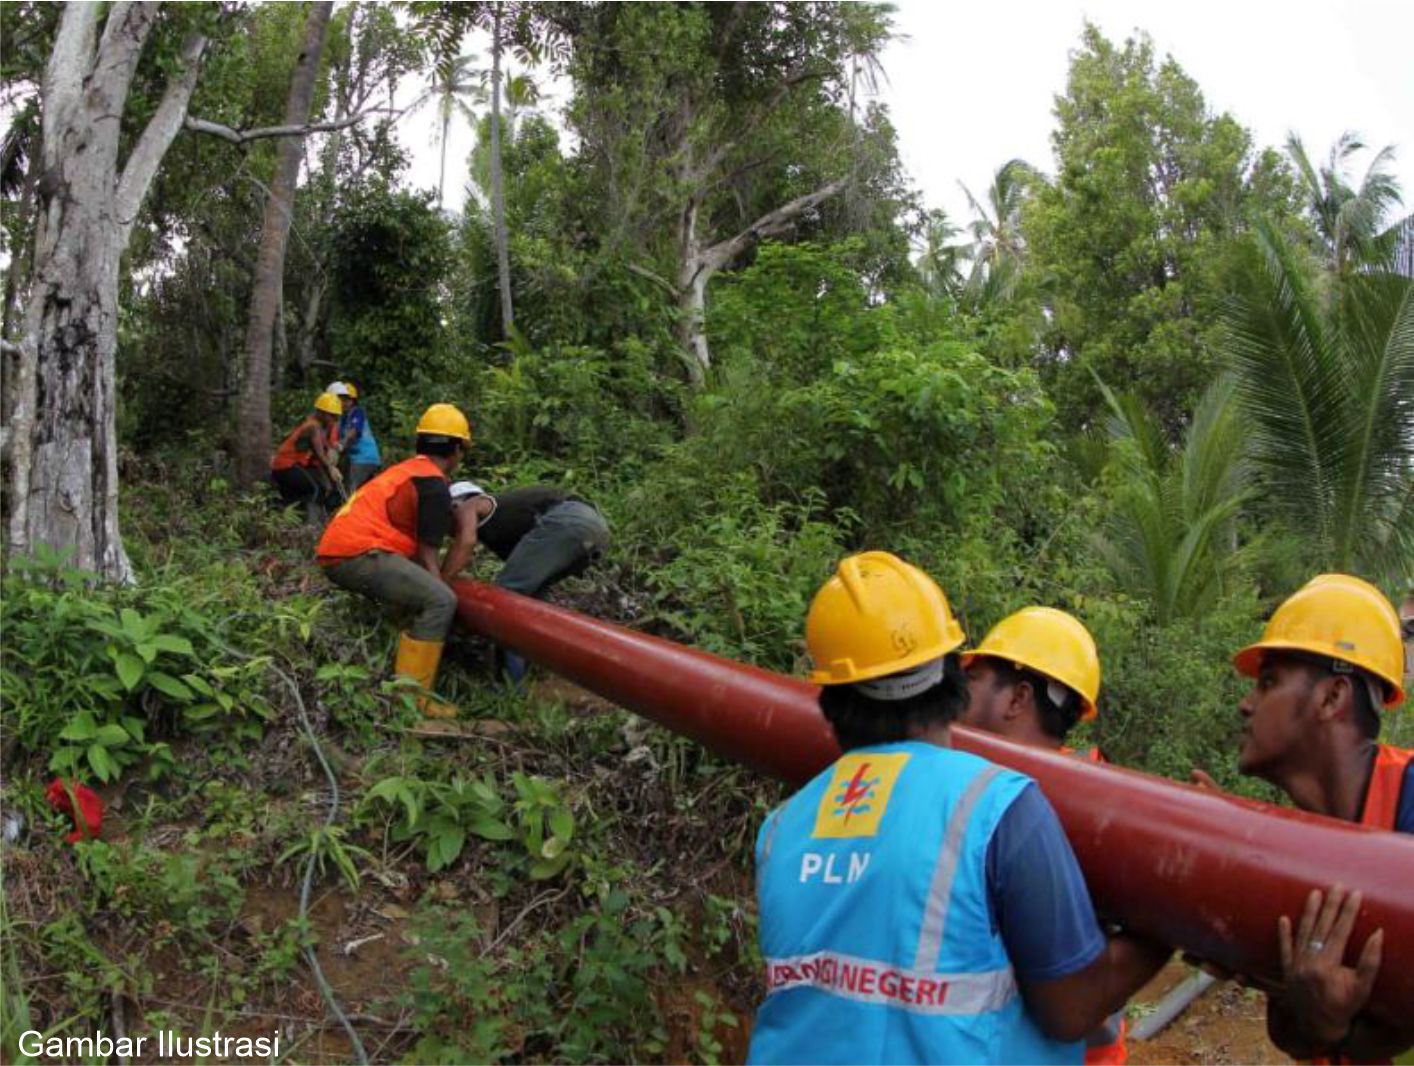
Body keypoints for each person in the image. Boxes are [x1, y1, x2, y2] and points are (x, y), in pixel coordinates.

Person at [748, 552, 1171, 1065]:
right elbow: (1072, 1009)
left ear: (828, 698)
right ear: (949, 678)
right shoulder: (996, 807)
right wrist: (1169, 924)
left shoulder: (781, 829)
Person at [1214, 572, 1412, 1061]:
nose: (1245, 704)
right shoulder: (1301, 843)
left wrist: (1339, 1030)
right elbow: (1291, 1032)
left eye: (1268, 683)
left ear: (1331, 698)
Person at [960, 607, 1128, 1064]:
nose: (957, 694)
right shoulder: (1100, 797)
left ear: (1017, 699)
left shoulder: (1080, 811)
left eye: (972, 679)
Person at [315, 403, 474, 719]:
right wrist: (444, 593)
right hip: (358, 553)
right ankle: (412, 699)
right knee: (440, 600)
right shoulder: (433, 484)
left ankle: (398, 670)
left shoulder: (407, 471)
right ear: (457, 449)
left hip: (342, 549)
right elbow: (427, 558)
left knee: (424, 594)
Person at [446, 483, 611, 683]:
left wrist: (441, 580)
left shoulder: (469, 505)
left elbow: (465, 543)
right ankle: (536, 667)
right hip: (593, 527)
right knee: (531, 602)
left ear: (456, 504)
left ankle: (509, 683)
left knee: (505, 600)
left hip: (568, 521)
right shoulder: (504, 527)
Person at [270, 392, 344, 523]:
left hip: (294, 465)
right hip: (286, 465)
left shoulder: (319, 426)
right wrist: (331, 468)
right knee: (316, 489)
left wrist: (330, 469)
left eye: (336, 416)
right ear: (321, 412)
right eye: (332, 415)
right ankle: (311, 524)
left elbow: (320, 454)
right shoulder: (312, 427)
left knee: (321, 488)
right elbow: (319, 453)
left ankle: (288, 510)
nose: (334, 419)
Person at [328, 380, 382, 490]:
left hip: (364, 458)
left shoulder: (357, 413)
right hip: (356, 459)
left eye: (347, 400)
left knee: (351, 490)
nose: (344, 403)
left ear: (353, 401)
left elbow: (354, 432)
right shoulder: (343, 418)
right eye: (342, 400)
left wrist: (342, 444)